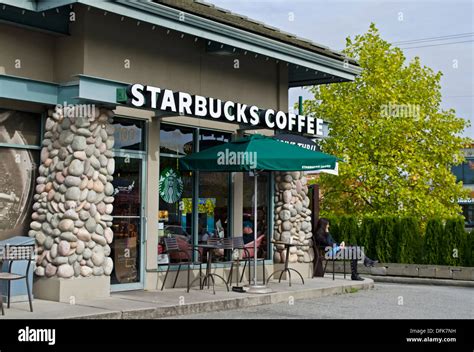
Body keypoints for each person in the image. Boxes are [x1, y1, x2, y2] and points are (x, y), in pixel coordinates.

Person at [313, 218, 378, 281]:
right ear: (324, 225)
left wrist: (340, 244)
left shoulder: (326, 233)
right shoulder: (319, 235)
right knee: (354, 252)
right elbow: (328, 244)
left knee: (355, 247)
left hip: (336, 250)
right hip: (330, 253)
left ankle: (362, 266)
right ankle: (360, 269)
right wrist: (328, 234)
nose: (329, 226)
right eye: (327, 224)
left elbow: (333, 242)